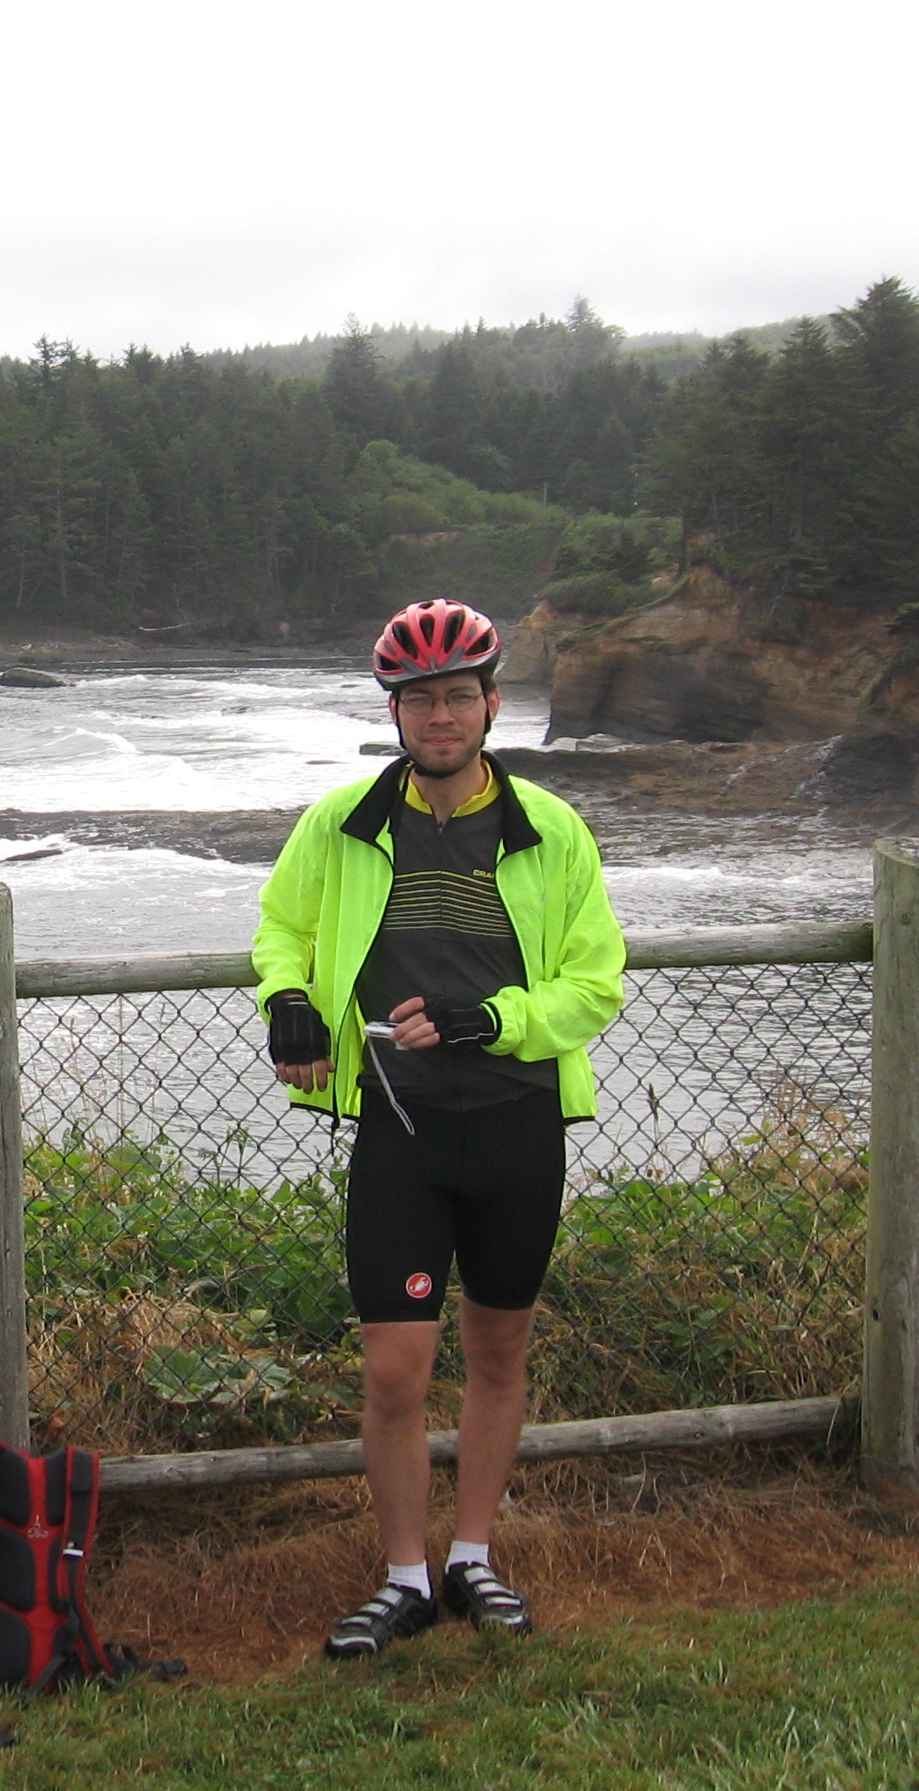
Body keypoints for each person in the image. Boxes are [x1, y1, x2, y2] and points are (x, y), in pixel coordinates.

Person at [251, 598, 626, 1658]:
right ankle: (406, 1576)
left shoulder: (552, 830)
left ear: (493, 704)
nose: (441, 716)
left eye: (459, 696)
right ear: (396, 713)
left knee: (498, 1350)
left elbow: (595, 983)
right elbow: (282, 926)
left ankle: (473, 1557)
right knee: (394, 1371)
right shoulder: (343, 823)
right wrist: (288, 998)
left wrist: (493, 1020)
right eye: (420, 700)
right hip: (401, 1128)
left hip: (516, 1122)